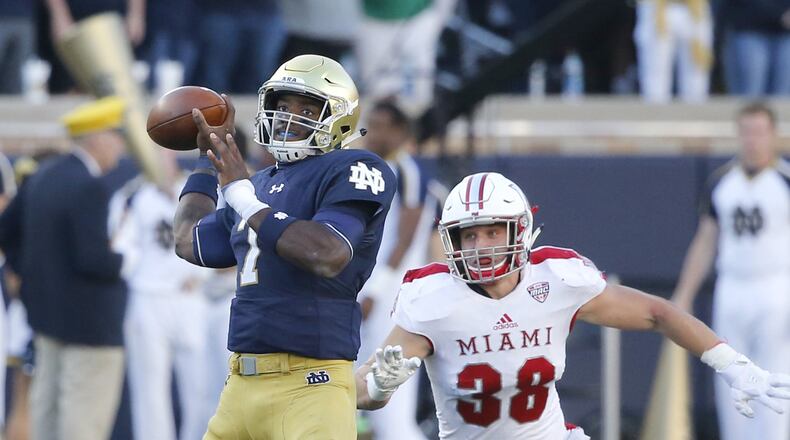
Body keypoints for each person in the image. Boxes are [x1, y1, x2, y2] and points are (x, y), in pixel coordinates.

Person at [355, 171, 790, 440]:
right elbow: (361, 392)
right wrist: (378, 388)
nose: (479, 246)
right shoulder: (434, 301)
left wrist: (733, 365)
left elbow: (660, 313)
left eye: (491, 232)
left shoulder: (557, 280)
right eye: (468, 235)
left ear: (520, 230)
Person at [172, 54, 396, 439]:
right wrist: (209, 160)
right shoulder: (256, 185)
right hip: (241, 384)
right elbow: (186, 240)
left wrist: (242, 196)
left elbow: (326, 253)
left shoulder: (355, 167)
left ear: (338, 117)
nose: (289, 117)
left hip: (311, 382)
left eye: (307, 109)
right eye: (283, 105)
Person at [0, 96, 128, 440]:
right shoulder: (88, 186)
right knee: (82, 419)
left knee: (47, 413)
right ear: (99, 137)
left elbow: (6, 230)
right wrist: (127, 261)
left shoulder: (44, 175)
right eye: (116, 135)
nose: (120, 147)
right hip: (90, 325)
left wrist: (24, 272)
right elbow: (94, 260)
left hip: (46, 318)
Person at [672, 102, 790, 440]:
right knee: (729, 370)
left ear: (773, 135)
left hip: (775, 286)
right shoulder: (721, 182)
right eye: (747, 132)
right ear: (738, 135)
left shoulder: (784, 180)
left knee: (775, 374)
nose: (753, 141)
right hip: (733, 287)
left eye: (760, 132)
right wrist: (685, 292)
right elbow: (706, 241)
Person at [109, 149, 213, 440]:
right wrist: (135, 274)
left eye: (163, 158)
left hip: (189, 298)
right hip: (148, 298)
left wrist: (199, 273)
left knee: (200, 383)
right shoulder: (131, 197)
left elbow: (214, 232)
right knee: (149, 387)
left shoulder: (195, 193)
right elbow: (121, 248)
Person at [358, 100, 430, 440]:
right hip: (361, 295)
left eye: (383, 125)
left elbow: (405, 237)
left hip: (392, 298)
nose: (374, 132)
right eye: (370, 124)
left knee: (390, 407)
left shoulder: (407, 170)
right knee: (356, 401)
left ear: (401, 132)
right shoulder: (360, 169)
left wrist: (375, 289)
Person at [633, 0, 712, 102]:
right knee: (655, 69)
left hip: (693, 6)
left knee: (696, 70)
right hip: (656, 6)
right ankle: (655, 112)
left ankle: (697, 113)